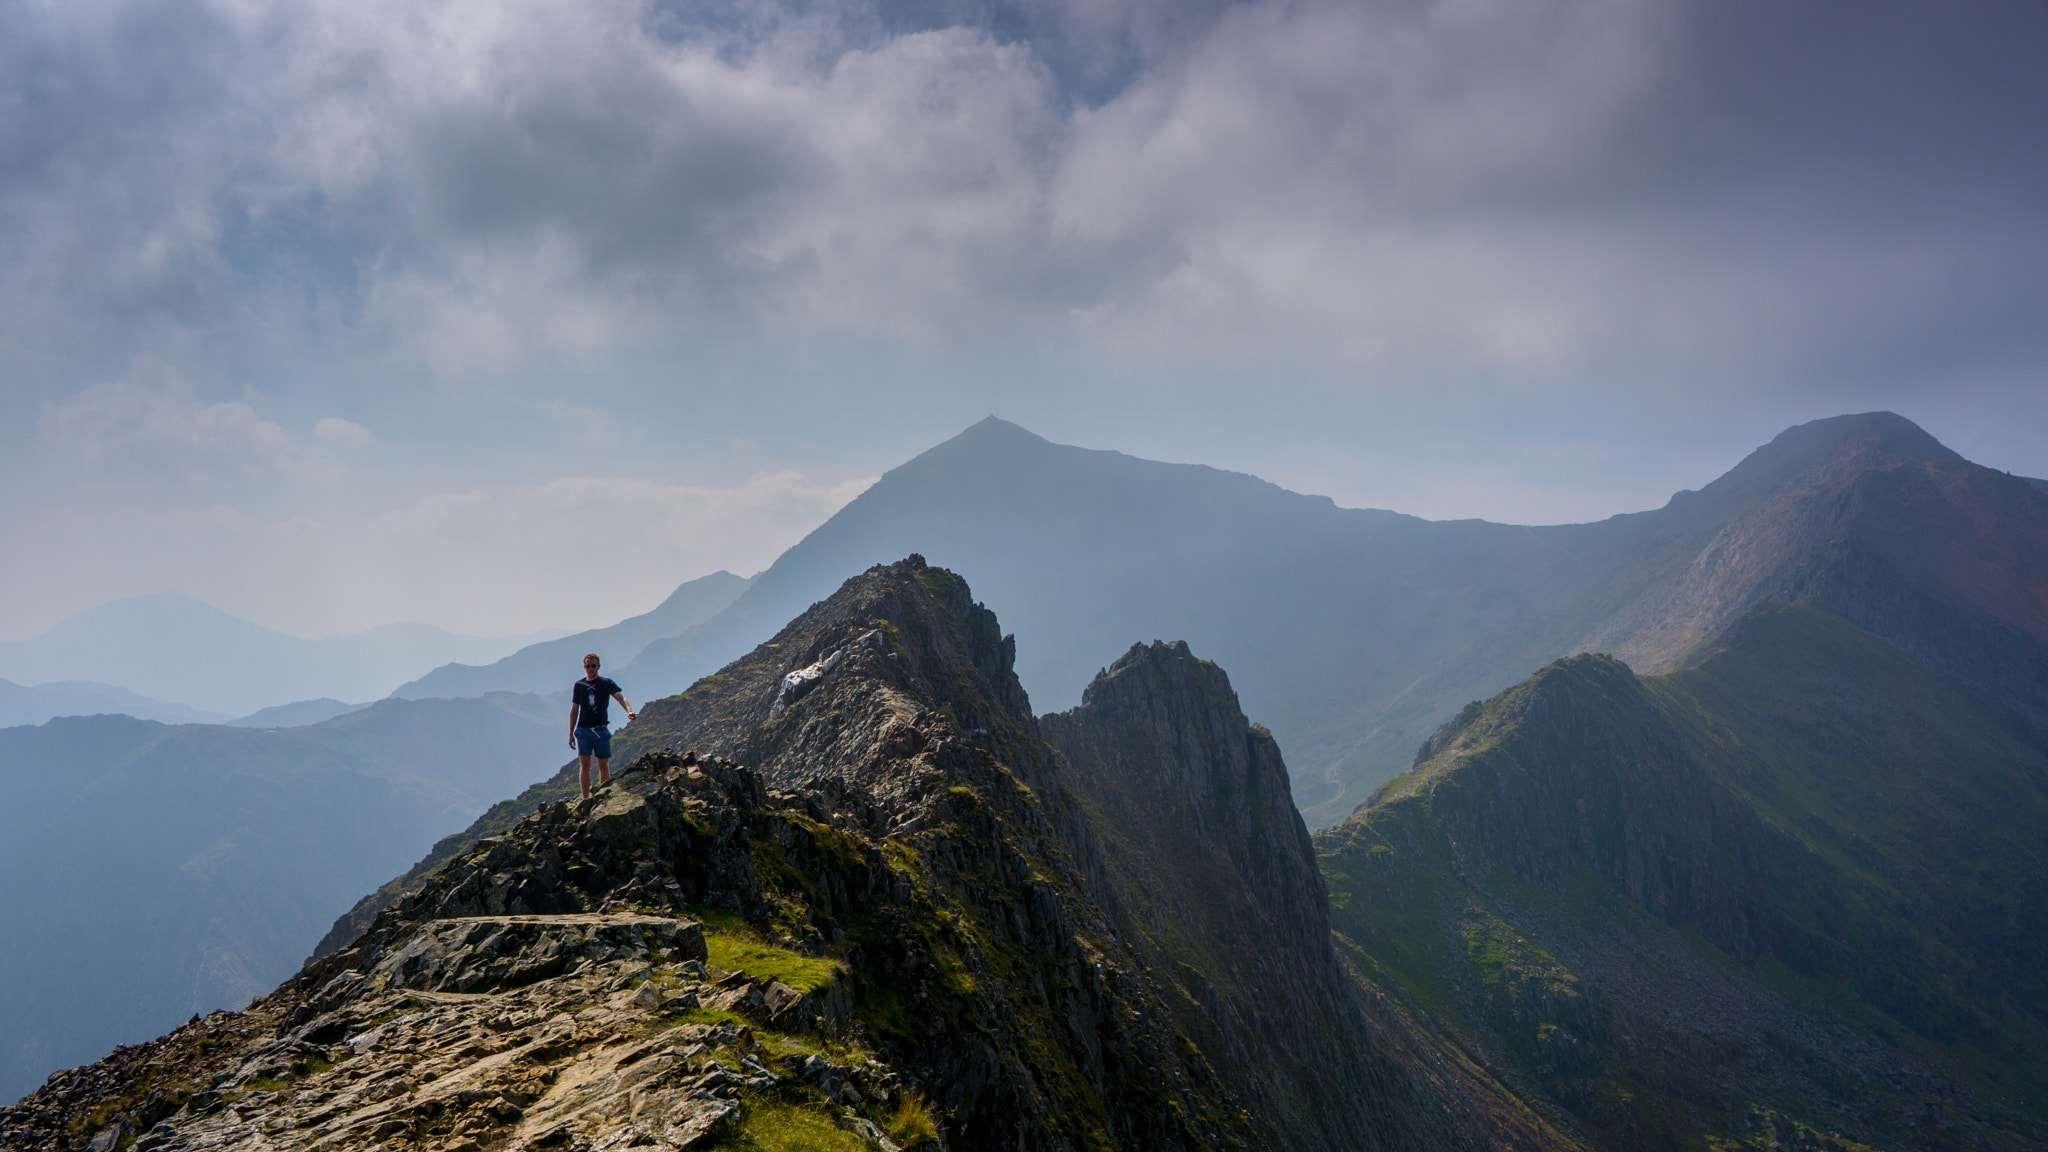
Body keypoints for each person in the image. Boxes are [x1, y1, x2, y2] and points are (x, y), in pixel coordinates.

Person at [570, 653, 636, 799]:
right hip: (583, 730)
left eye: (593, 666)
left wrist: (629, 711)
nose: (591, 669)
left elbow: (620, 697)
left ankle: (603, 796)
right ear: (584, 667)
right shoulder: (579, 685)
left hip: (601, 729)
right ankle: (585, 798)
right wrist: (570, 734)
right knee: (585, 765)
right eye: (588, 666)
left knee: (603, 765)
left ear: (599, 666)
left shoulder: (606, 683)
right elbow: (574, 710)